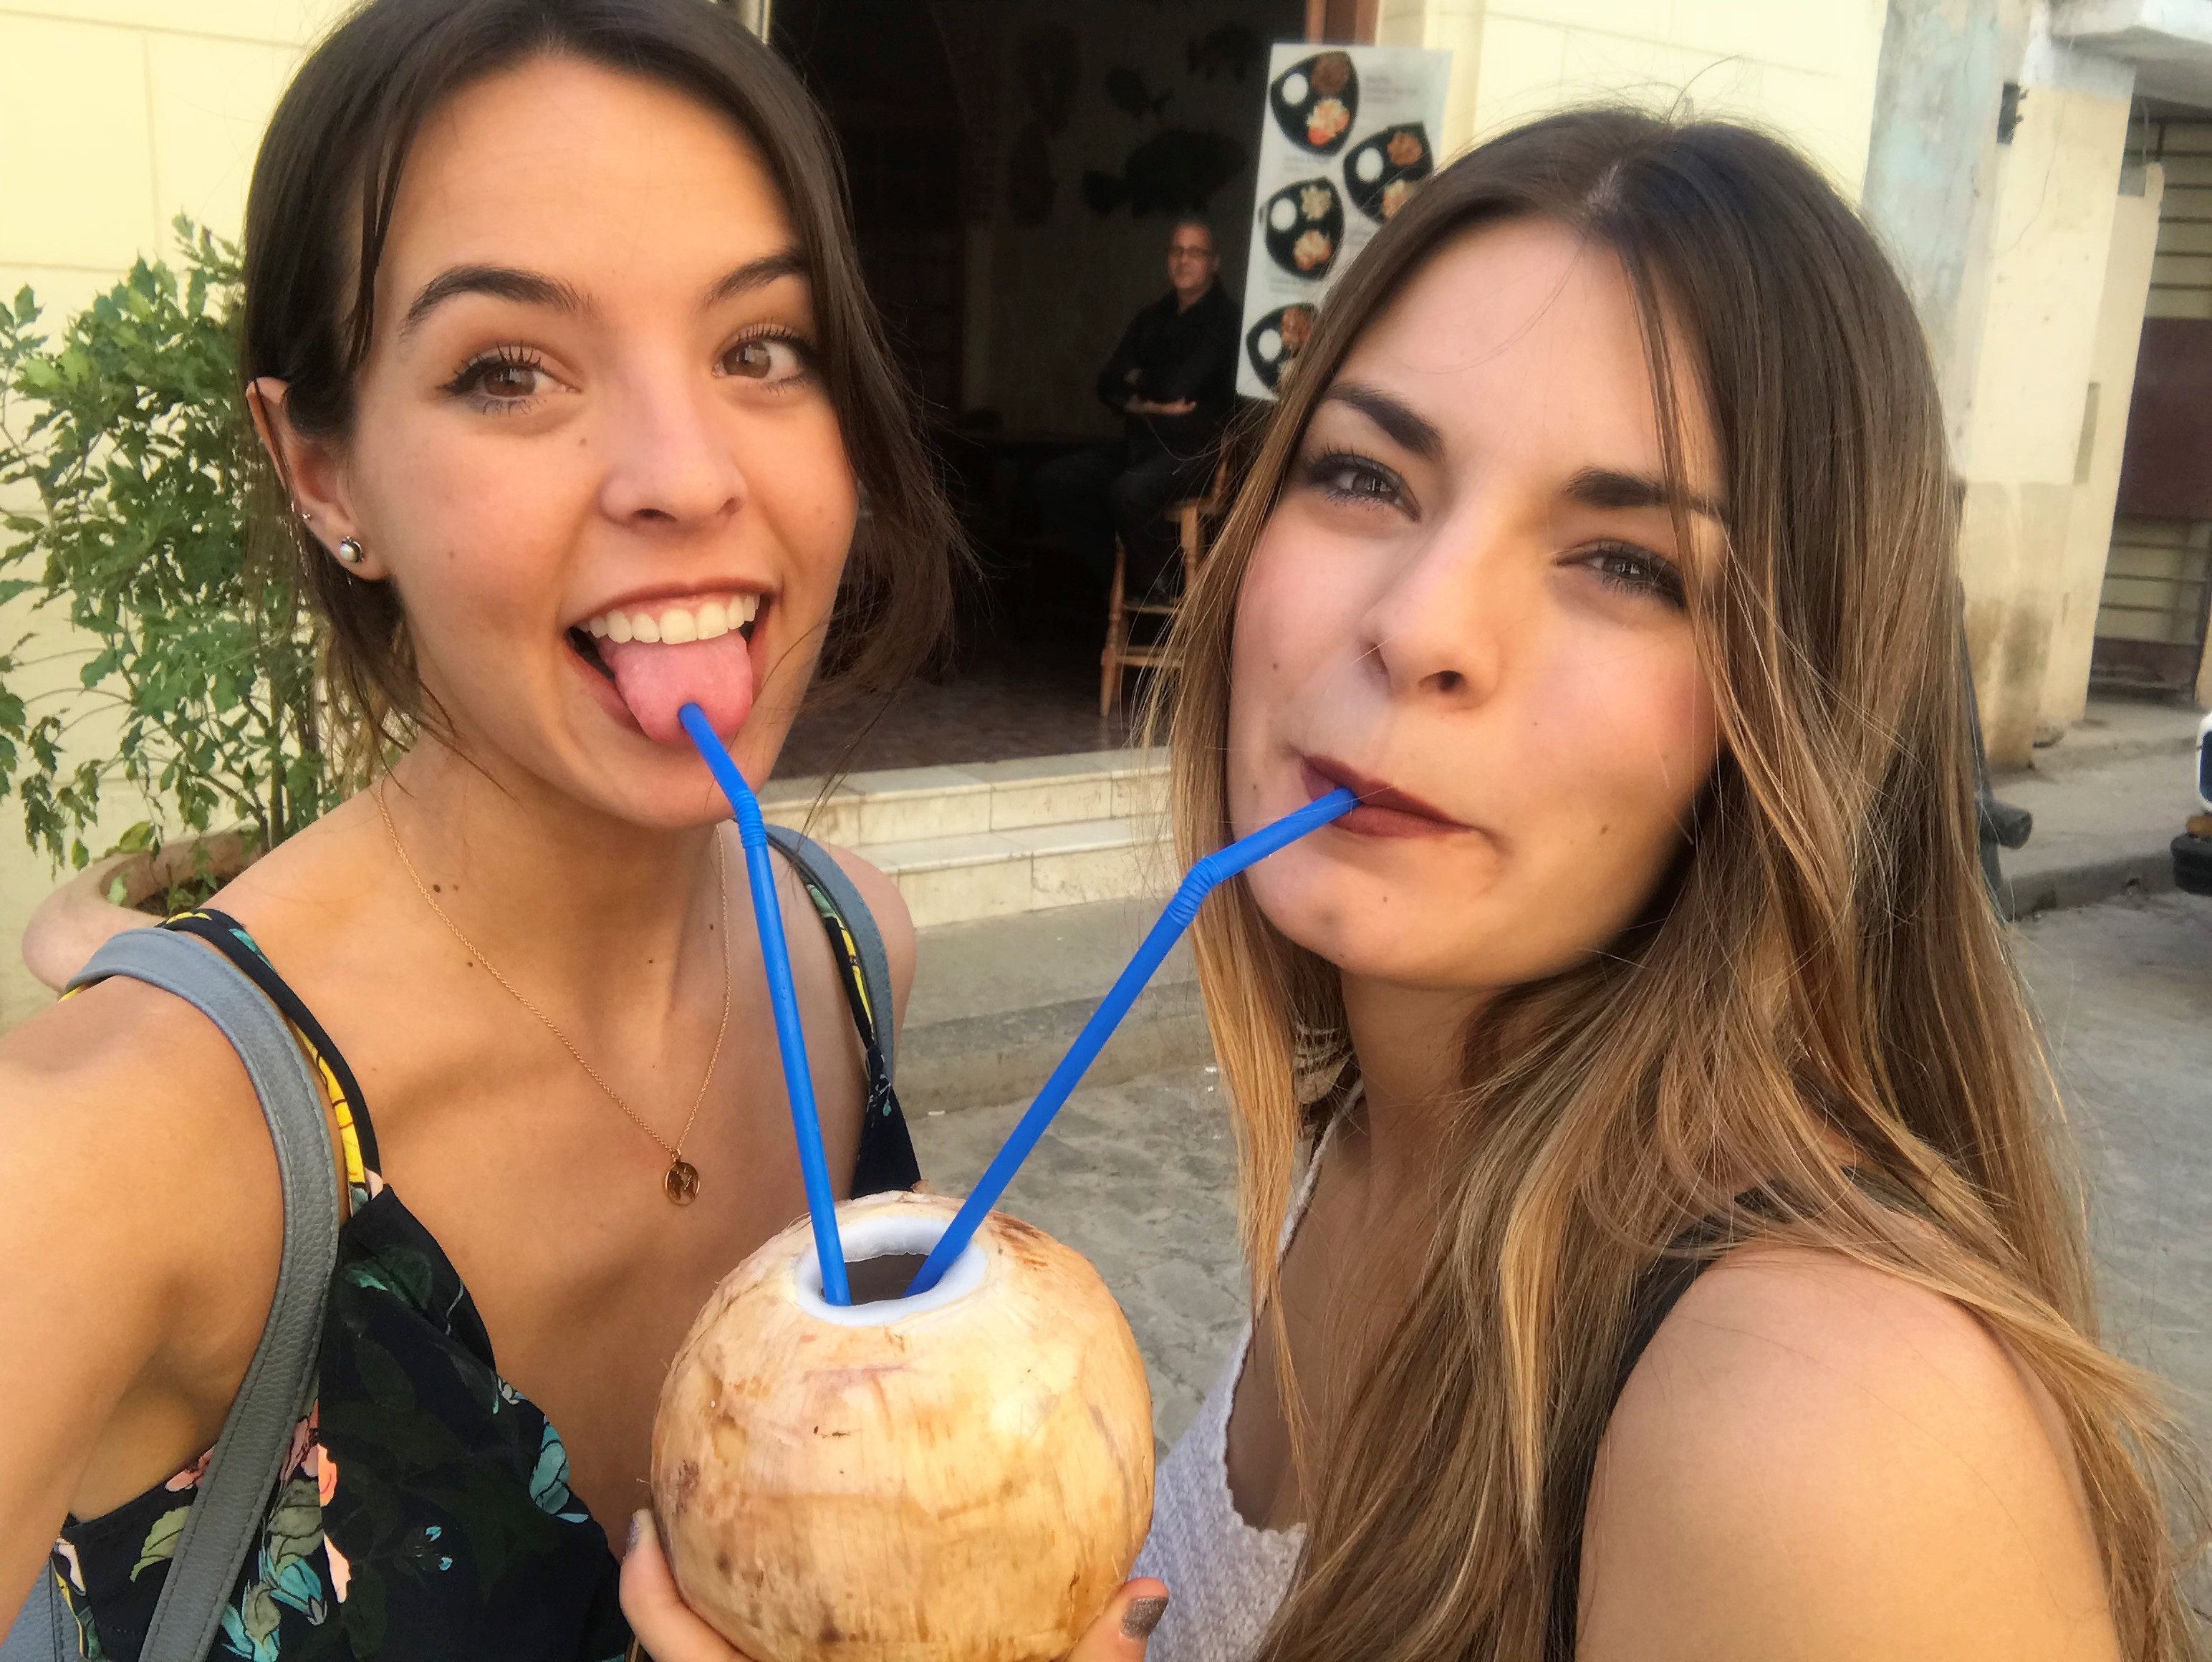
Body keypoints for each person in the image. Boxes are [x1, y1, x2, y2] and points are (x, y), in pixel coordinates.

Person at [0, 4, 1147, 1659]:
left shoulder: (848, 956)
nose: (686, 475)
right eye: (509, 372)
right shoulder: (104, 1165)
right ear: (320, 468)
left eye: (763, 346)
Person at [1128, 109, 2208, 1661]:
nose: (1422, 622)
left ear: (1795, 705)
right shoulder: (1380, 1125)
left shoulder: (1819, 1423)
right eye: (1363, 474)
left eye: (1626, 564)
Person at [1034, 217, 1239, 599]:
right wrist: (1149, 402)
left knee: (1129, 493)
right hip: (1140, 445)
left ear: (1214, 262)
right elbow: (1107, 382)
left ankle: (1168, 587)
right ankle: (1126, 576)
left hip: (1193, 452)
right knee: (1056, 481)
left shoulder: (1227, 320)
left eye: (1195, 252)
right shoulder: (1152, 317)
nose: (1183, 260)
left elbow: (1181, 384)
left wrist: (1140, 389)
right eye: (1176, 250)